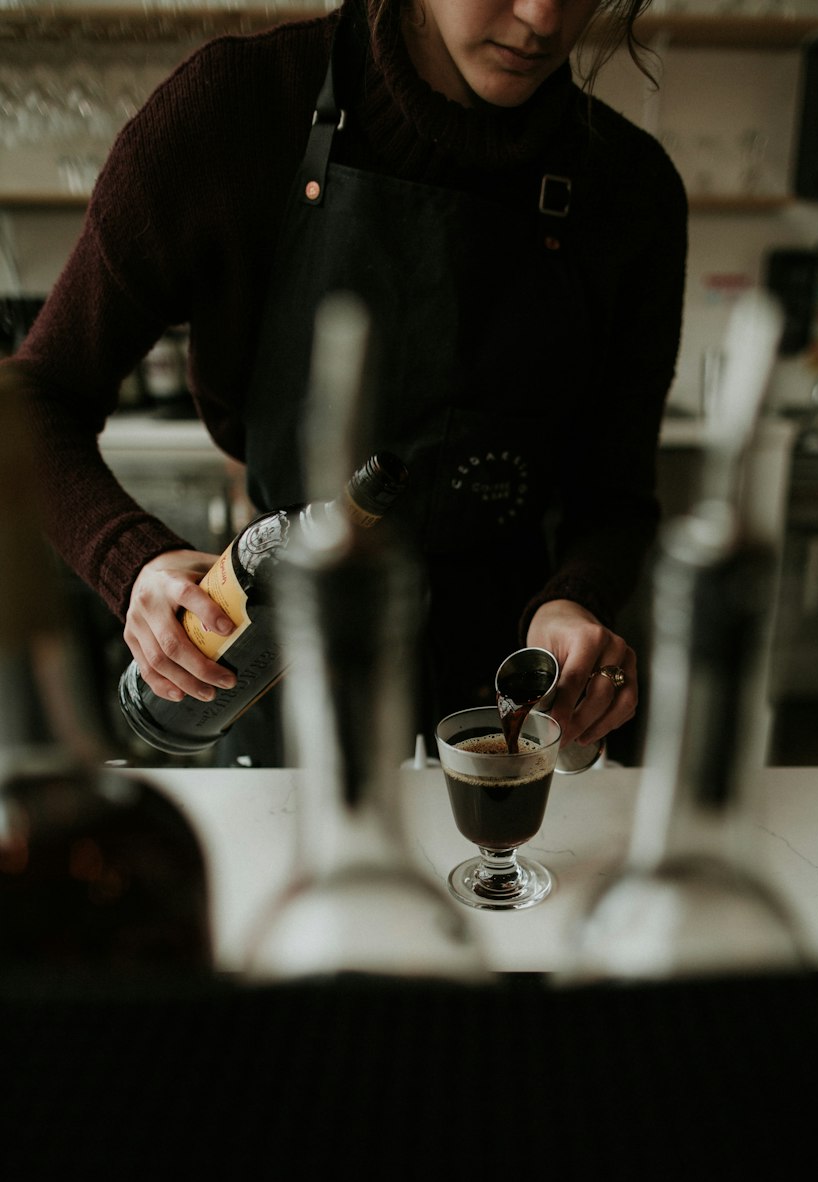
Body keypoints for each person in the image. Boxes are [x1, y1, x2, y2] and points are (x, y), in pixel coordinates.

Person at [7, 0, 687, 765]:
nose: (541, 17)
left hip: (511, 699)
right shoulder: (237, 107)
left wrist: (578, 597)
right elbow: (36, 398)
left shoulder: (630, 188)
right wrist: (133, 560)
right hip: (283, 672)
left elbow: (615, 492)